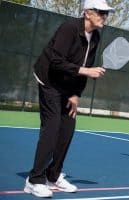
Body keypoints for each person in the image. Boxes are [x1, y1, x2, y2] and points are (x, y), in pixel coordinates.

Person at [24, 0, 114, 198]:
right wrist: (86, 71)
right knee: (52, 127)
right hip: (49, 79)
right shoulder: (69, 28)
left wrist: (75, 94)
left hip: (68, 85)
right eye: (101, 12)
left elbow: (85, 66)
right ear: (88, 13)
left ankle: (52, 176)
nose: (105, 16)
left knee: (67, 128)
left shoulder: (96, 36)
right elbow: (56, 62)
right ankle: (34, 180)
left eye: (106, 13)